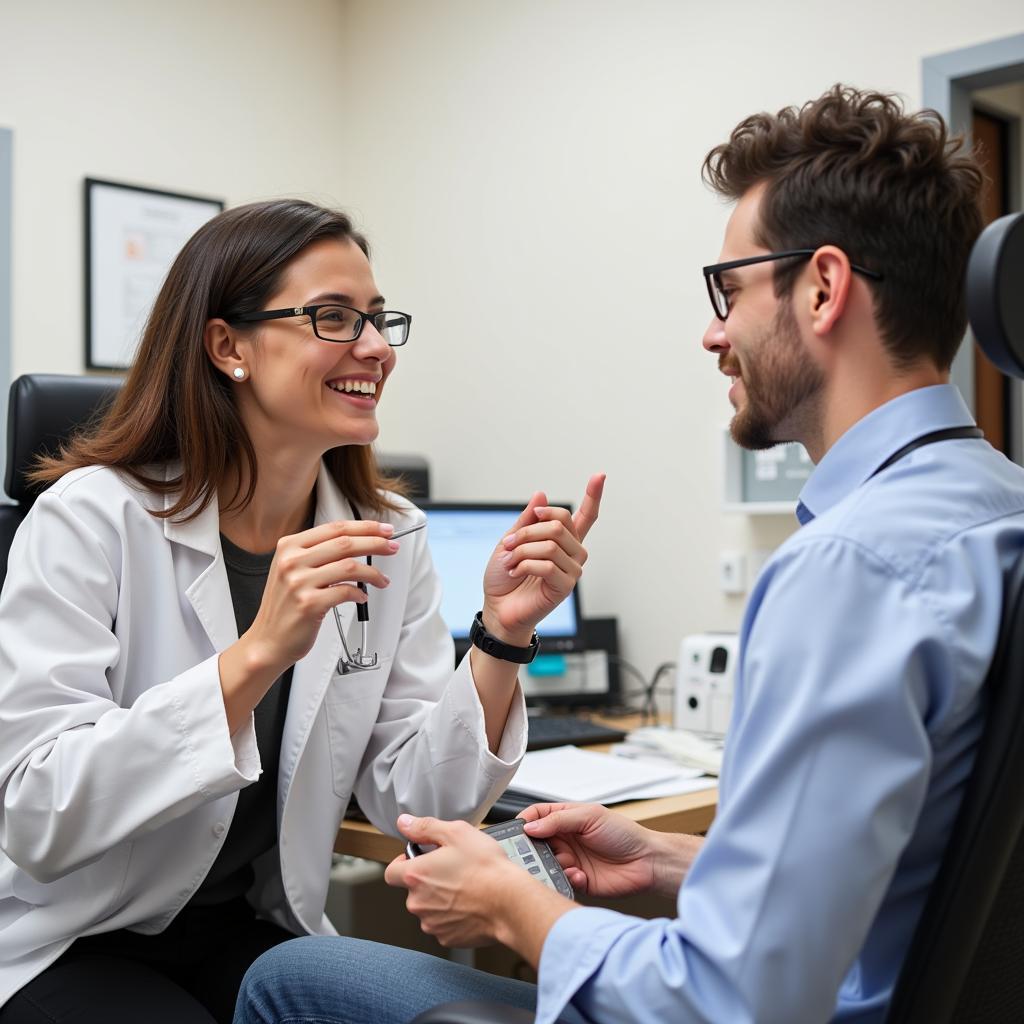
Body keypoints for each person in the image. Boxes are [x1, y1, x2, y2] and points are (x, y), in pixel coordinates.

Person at [232, 85, 1024, 1024]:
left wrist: (518, 908)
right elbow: (916, 888)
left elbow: (736, 996)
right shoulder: (995, 510)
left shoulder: (852, 569)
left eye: (728, 290)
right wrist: (670, 861)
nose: (713, 331)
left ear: (822, 287)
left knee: (281, 979)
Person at [0, 198, 604, 1024]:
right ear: (227, 346)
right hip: (68, 937)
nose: (376, 347)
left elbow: (415, 802)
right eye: (333, 317)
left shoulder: (389, 534)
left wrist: (502, 635)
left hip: (250, 931)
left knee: (509, 1012)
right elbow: (37, 813)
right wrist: (257, 655)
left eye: (378, 318)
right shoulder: (89, 520)